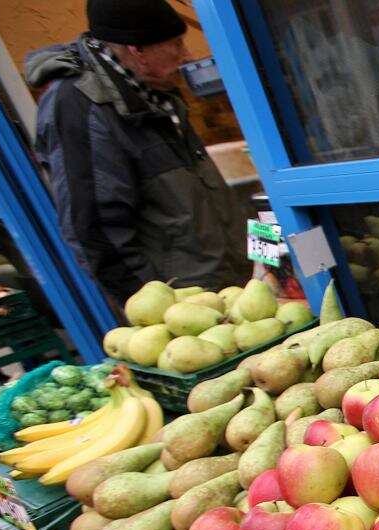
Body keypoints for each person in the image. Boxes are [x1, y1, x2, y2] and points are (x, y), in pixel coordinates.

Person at [25, 0, 247, 311]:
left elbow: (211, 199)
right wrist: (157, 314)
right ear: (137, 50)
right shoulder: (80, 107)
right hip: (185, 310)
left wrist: (265, 260)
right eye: (176, 44)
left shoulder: (156, 93)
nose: (187, 55)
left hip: (231, 289)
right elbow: (94, 232)